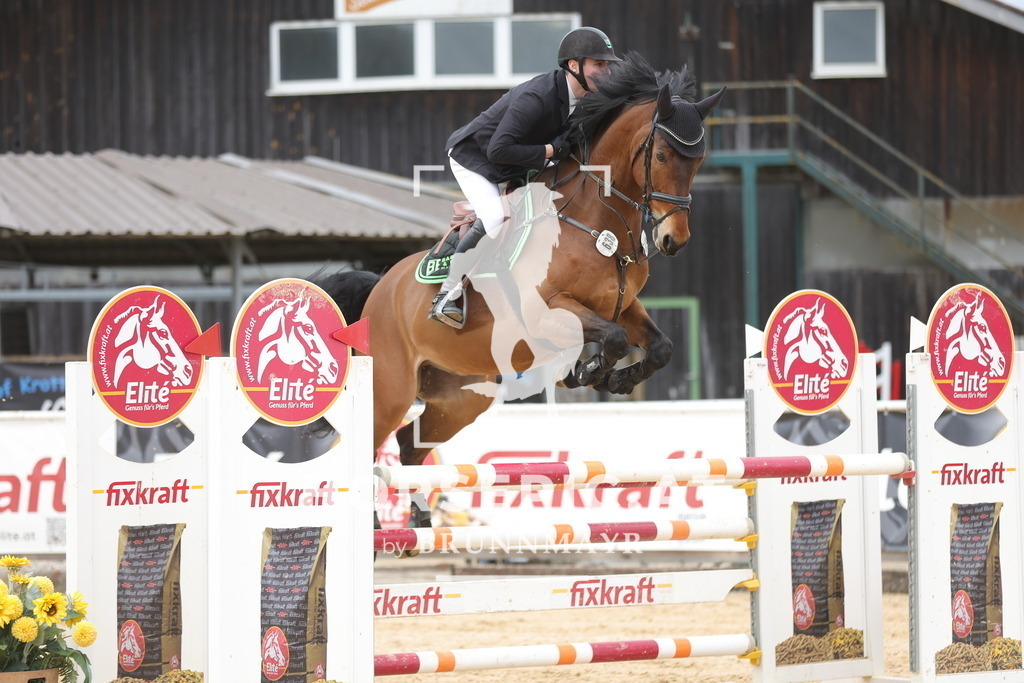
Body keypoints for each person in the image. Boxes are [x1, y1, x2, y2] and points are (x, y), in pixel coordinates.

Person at [428, 26, 620, 329]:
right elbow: (498, 150)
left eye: (608, 65)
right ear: (574, 65)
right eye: (600, 64)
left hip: (516, 163)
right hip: (475, 159)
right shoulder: (537, 96)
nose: (606, 72)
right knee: (494, 218)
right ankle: (446, 294)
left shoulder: (583, 99)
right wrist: (549, 150)